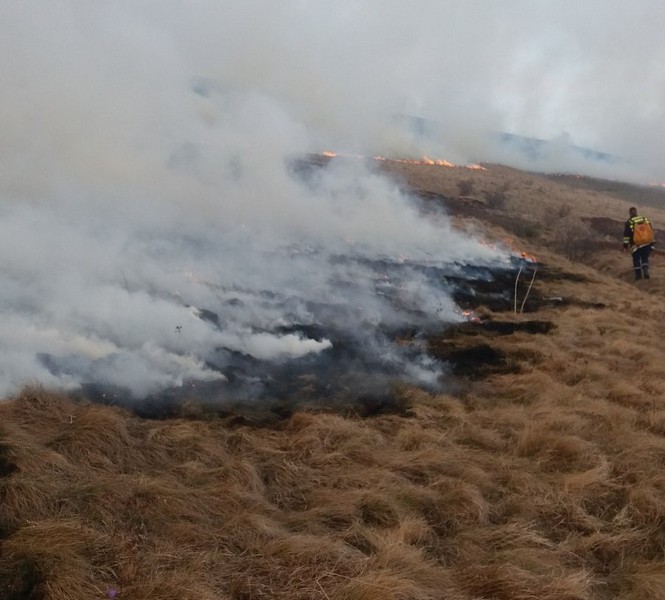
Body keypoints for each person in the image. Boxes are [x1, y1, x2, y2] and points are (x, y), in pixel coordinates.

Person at [623, 207, 655, 280]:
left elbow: (626, 235)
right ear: (636, 212)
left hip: (635, 244)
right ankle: (645, 271)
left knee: (636, 259)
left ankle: (638, 276)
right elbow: (650, 231)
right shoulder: (645, 219)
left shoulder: (629, 222)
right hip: (647, 242)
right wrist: (652, 243)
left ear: (630, 213)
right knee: (645, 257)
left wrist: (625, 245)